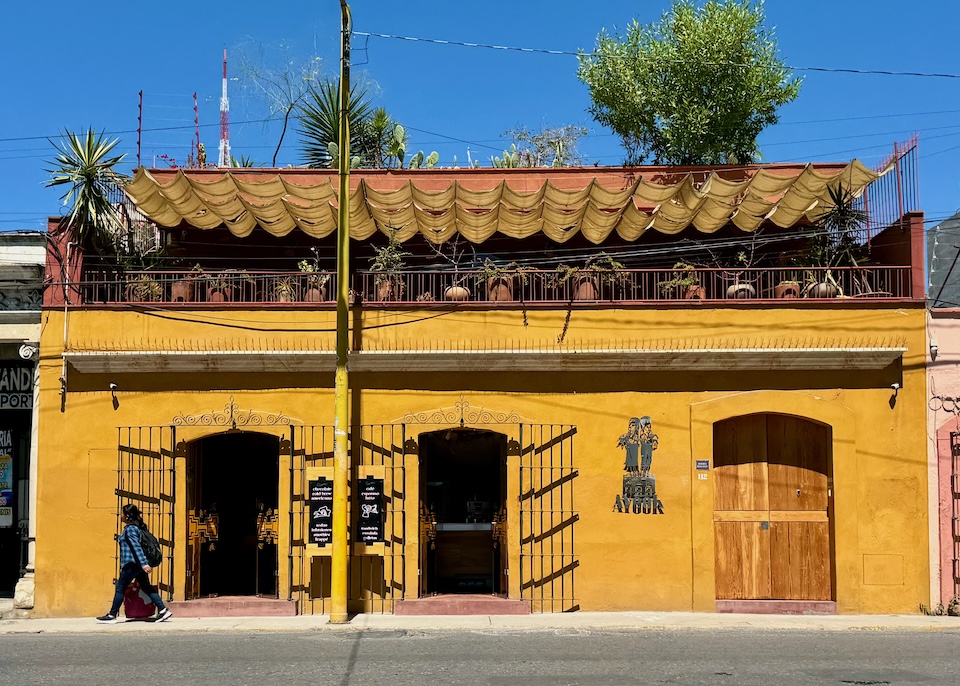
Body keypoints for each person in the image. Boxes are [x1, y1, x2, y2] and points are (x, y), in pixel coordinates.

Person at [96, 504, 173, 623]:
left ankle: (112, 615)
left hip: (132, 564)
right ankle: (163, 610)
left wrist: (143, 564)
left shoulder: (131, 529)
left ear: (127, 516)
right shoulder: (137, 528)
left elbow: (136, 547)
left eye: (121, 513)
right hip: (137, 565)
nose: (120, 515)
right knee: (146, 587)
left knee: (120, 587)